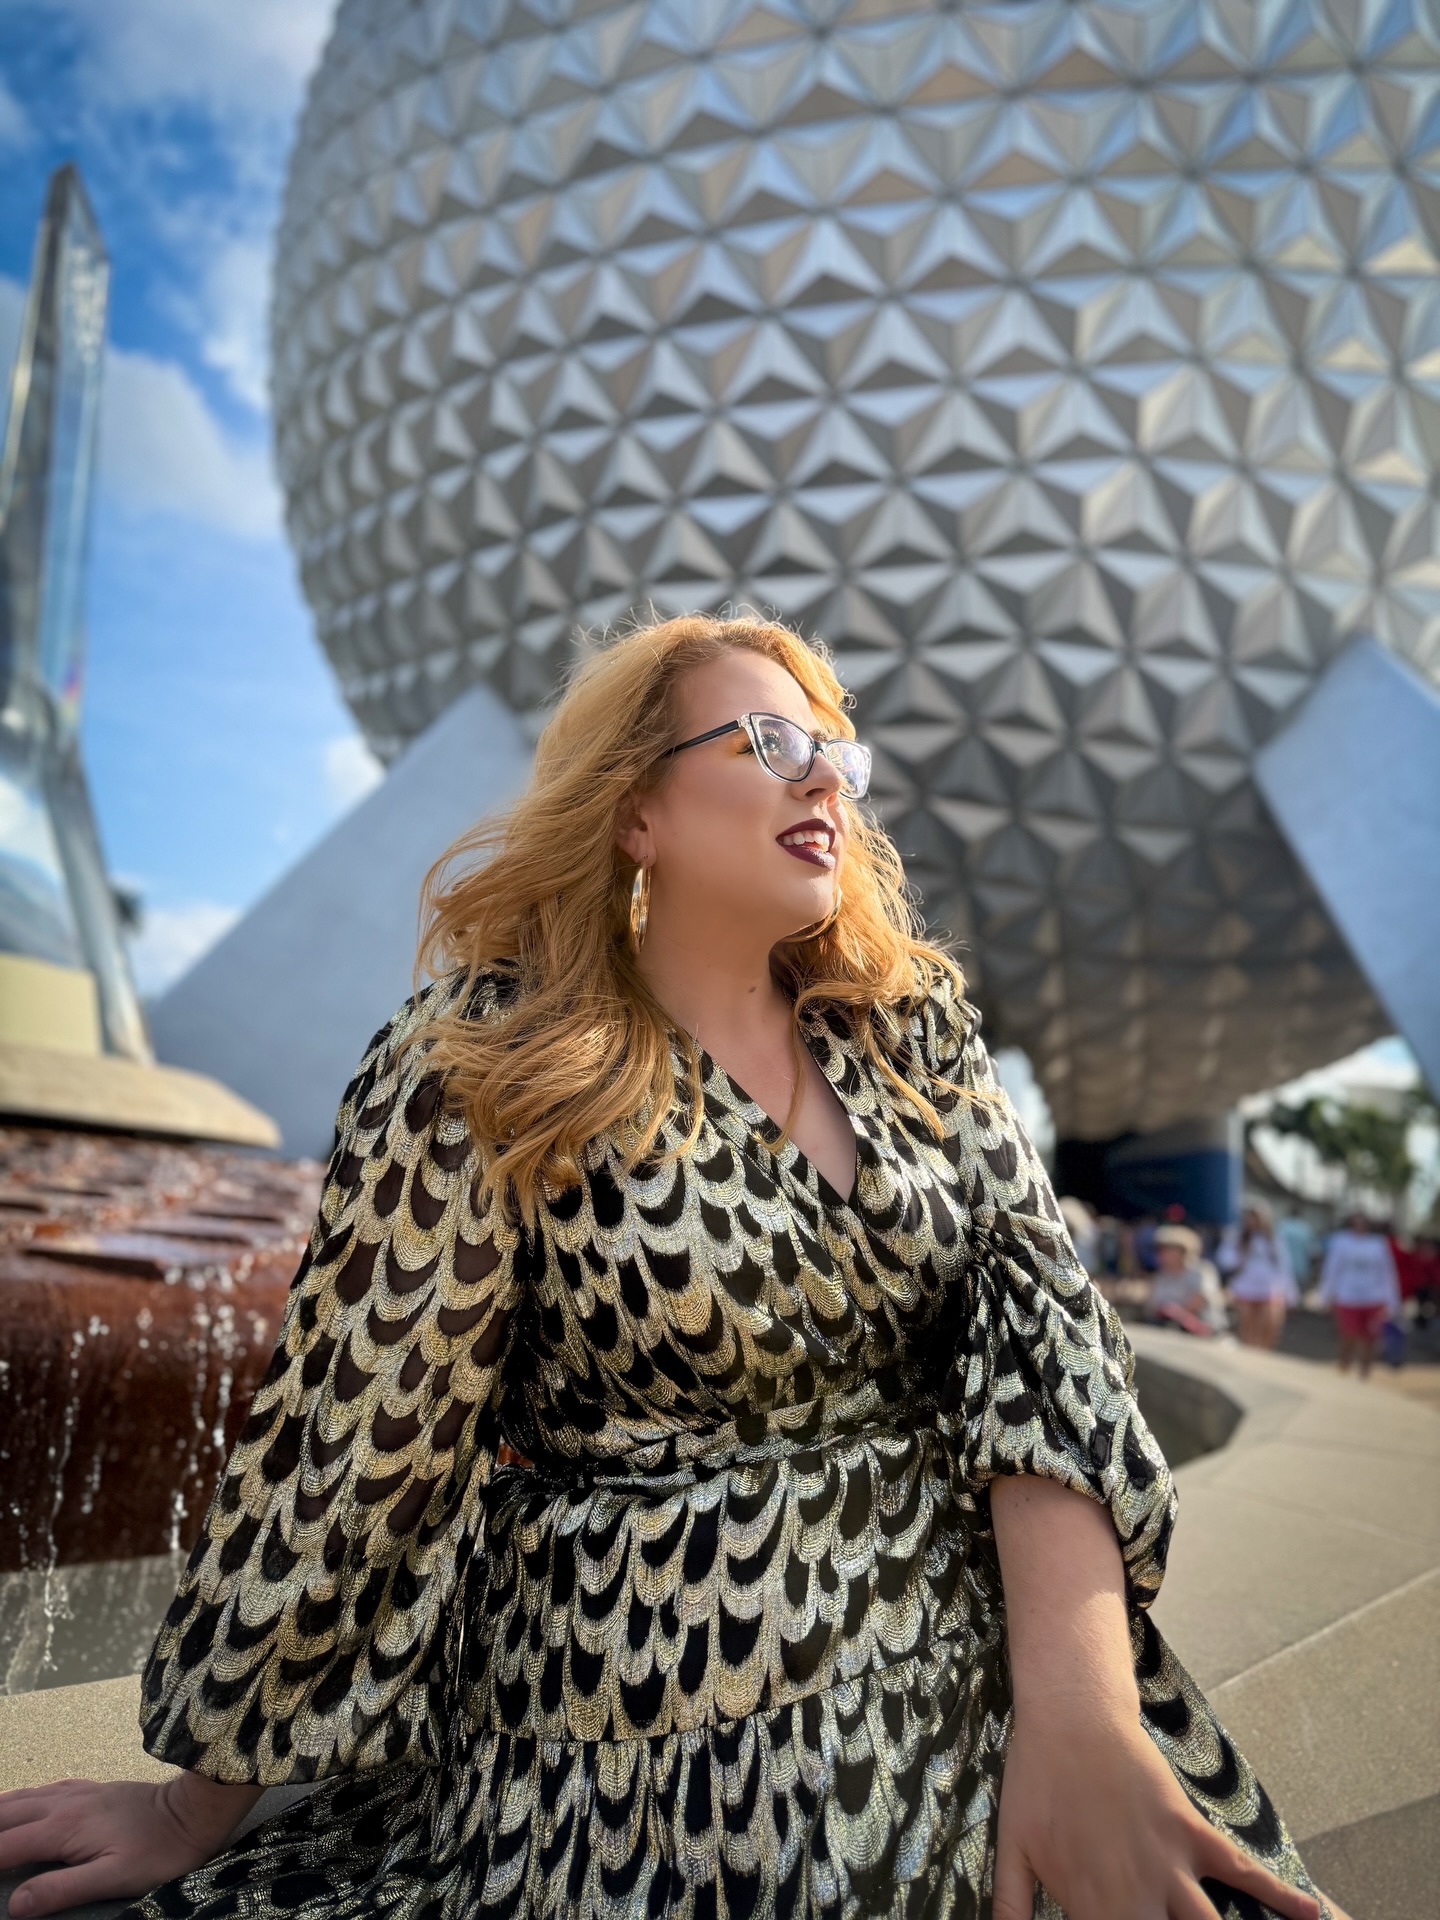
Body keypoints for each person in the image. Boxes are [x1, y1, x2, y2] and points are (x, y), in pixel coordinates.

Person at [0, 616, 1338, 1920]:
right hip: (649, 1692)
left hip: (979, 1639)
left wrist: (1086, 1711)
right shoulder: (488, 1061)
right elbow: (363, 1447)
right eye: (768, 738)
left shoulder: (907, 1028)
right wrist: (188, 1810)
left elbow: (1044, 1341)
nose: (826, 775)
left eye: (837, 752)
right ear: (636, 809)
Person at [1317, 1212, 1403, 1379]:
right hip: (1347, 1298)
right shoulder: (1341, 1242)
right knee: (1348, 1336)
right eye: (1355, 1224)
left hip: (1373, 1299)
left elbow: (1387, 1273)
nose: (1359, 1227)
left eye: (1363, 1223)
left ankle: (1365, 1375)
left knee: (1370, 1339)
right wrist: (1325, 1296)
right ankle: (1344, 1369)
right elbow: (1332, 1270)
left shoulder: (1378, 1244)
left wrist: (1392, 1301)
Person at [1218, 1205, 1298, 1349]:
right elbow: (1224, 1259)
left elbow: (1284, 1266)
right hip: (1244, 1287)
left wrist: (1290, 1294)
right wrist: (1240, 1257)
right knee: (1248, 1327)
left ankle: (1262, 1354)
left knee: (1271, 1323)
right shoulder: (1235, 1236)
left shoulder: (1274, 1239)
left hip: (1270, 1288)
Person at [1145, 1223, 1230, 1337]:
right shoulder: (1161, 1276)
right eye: (1161, 1250)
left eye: (1168, 1249)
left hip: (1205, 1332)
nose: (1163, 1254)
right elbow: (1154, 1306)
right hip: (1169, 1331)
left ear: (1183, 1251)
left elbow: (1200, 1298)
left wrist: (1176, 1313)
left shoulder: (1201, 1271)